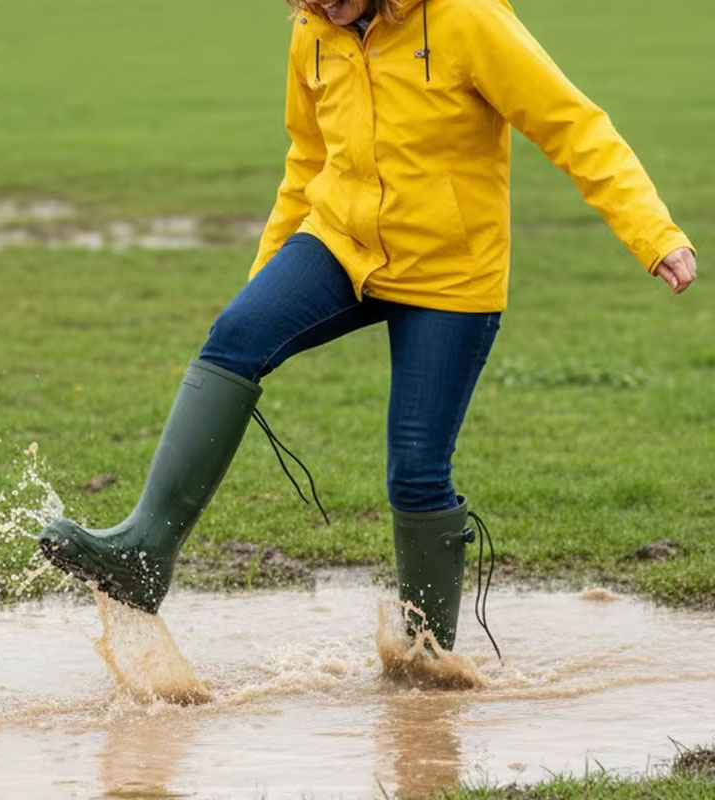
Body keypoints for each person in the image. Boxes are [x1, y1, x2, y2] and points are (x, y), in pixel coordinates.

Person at [40, 0, 697, 651]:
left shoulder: (467, 19)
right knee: (236, 336)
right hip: (340, 242)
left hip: (449, 271)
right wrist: (265, 280)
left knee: (416, 473)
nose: (323, 3)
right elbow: (308, 158)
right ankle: (142, 554)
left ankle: (426, 660)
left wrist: (653, 235)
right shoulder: (312, 31)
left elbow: (572, 125)